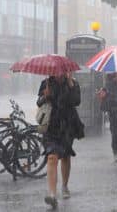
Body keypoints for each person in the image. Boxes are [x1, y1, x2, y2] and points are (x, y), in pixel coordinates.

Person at [37, 73, 84, 209]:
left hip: (68, 125)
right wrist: (45, 96)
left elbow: (76, 101)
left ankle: (64, 185)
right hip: (51, 126)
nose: (58, 73)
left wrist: (70, 86)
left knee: (65, 156)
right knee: (52, 157)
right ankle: (52, 194)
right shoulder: (46, 83)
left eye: (61, 71)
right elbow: (39, 102)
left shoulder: (72, 83)